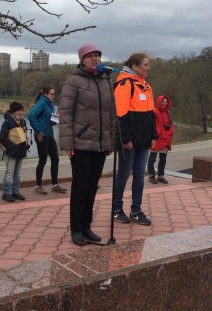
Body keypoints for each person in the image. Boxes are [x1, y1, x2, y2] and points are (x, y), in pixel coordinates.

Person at [59, 44, 114, 246]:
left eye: (97, 56)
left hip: (99, 144)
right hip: (81, 143)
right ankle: (75, 229)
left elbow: (110, 114)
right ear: (82, 59)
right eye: (90, 56)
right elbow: (65, 113)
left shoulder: (105, 81)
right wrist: (67, 142)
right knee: (80, 187)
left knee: (92, 186)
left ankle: (86, 226)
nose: (94, 59)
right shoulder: (74, 81)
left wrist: (109, 141)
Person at [113, 53, 157, 226]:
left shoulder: (146, 85)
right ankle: (116, 209)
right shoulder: (125, 84)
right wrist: (125, 139)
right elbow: (120, 115)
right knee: (123, 175)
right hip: (129, 142)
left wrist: (153, 136)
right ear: (135, 66)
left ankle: (136, 210)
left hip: (144, 140)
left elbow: (151, 115)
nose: (148, 68)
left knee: (139, 175)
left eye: (148, 64)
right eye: (145, 65)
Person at [28, 86, 67, 195]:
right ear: (45, 94)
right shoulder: (41, 103)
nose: (53, 96)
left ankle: (55, 185)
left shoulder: (49, 105)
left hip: (49, 134)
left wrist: (55, 120)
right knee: (43, 160)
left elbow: (48, 120)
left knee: (55, 158)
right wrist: (38, 131)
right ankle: (38, 186)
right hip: (41, 135)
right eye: (52, 94)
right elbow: (31, 116)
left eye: (54, 94)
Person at [0, 101, 29, 202]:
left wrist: (26, 144)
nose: (21, 112)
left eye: (21, 110)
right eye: (19, 110)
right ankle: (6, 193)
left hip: (21, 151)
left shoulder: (23, 121)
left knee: (18, 174)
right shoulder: (8, 122)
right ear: (13, 111)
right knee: (9, 173)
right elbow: (2, 138)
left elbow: (25, 134)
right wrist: (11, 146)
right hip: (12, 152)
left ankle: (15, 192)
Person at [148, 95, 174, 184]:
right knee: (152, 158)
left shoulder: (168, 112)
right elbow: (151, 124)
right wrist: (153, 135)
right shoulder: (155, 112)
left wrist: (171, 133)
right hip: (156, 138)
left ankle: (161, 176)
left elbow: (170, 125)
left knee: (163, 159)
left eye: (166, 102)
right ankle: (151, 175)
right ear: (159, 102)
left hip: (165, 138)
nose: (165, 103)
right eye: (163, 101)